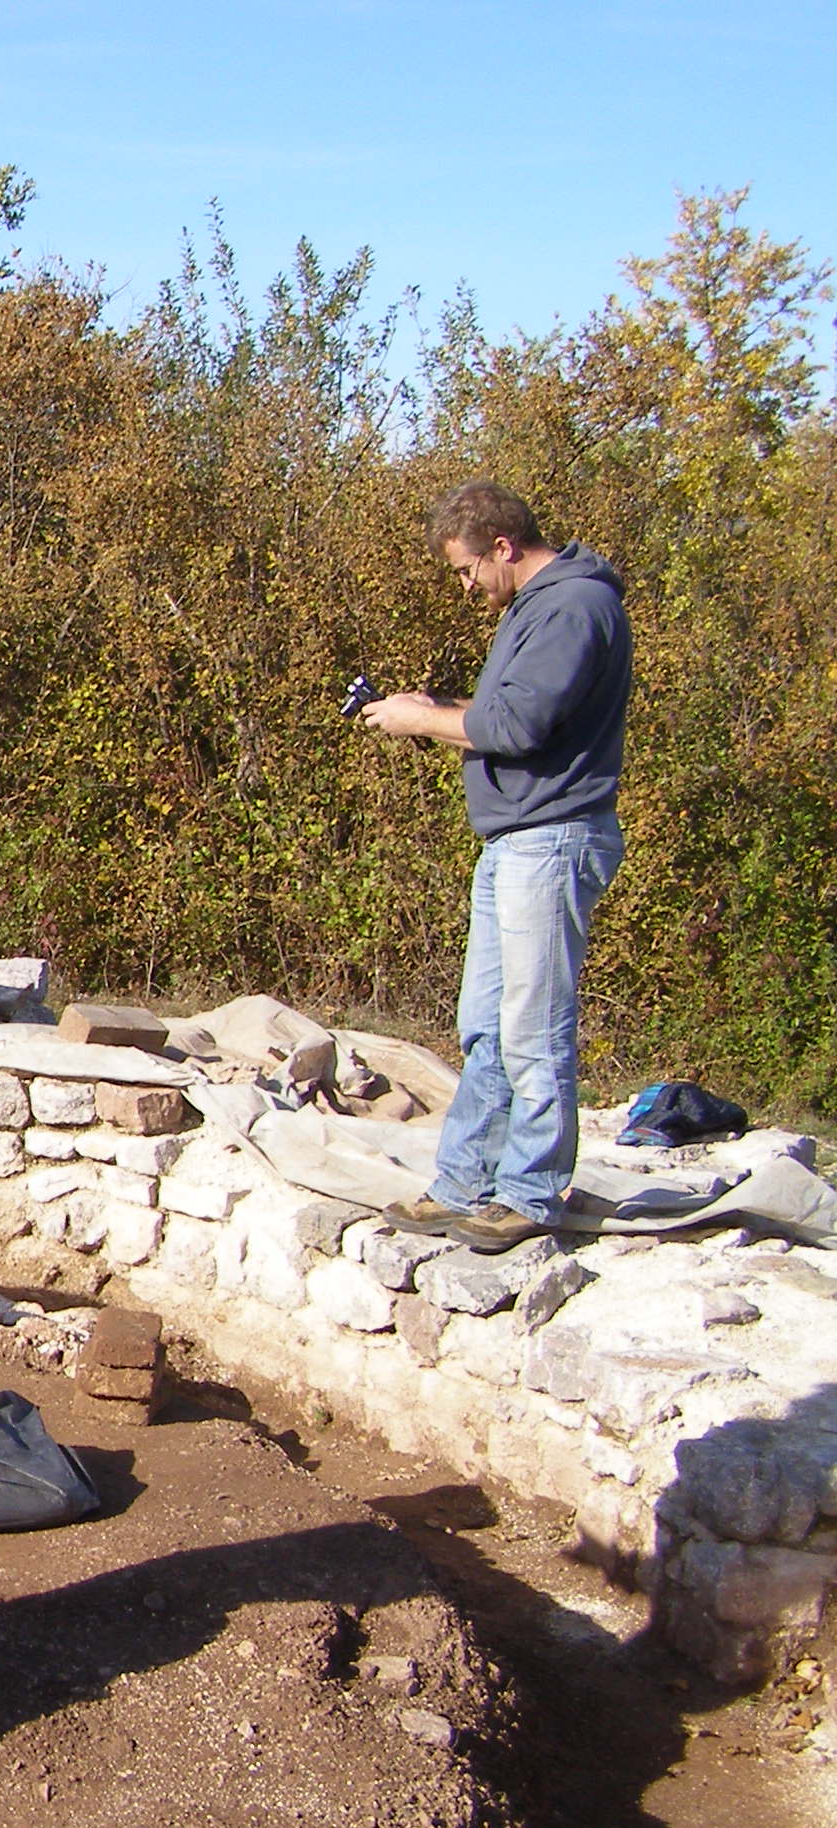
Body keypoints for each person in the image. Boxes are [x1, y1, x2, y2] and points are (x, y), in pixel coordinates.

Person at [363, 482, 630, 1255]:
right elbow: (512, 715)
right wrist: (438, 707)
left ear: (504, 548)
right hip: (515, 841)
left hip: (550, 839)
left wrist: (422, 720)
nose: (466, 586)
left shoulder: (574, 607)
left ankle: (531, 1192)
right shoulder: (535, 610)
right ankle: (464, 1184)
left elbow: (518, 724)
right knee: (486, 1025)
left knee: (533, 1025)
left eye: (468, 569)